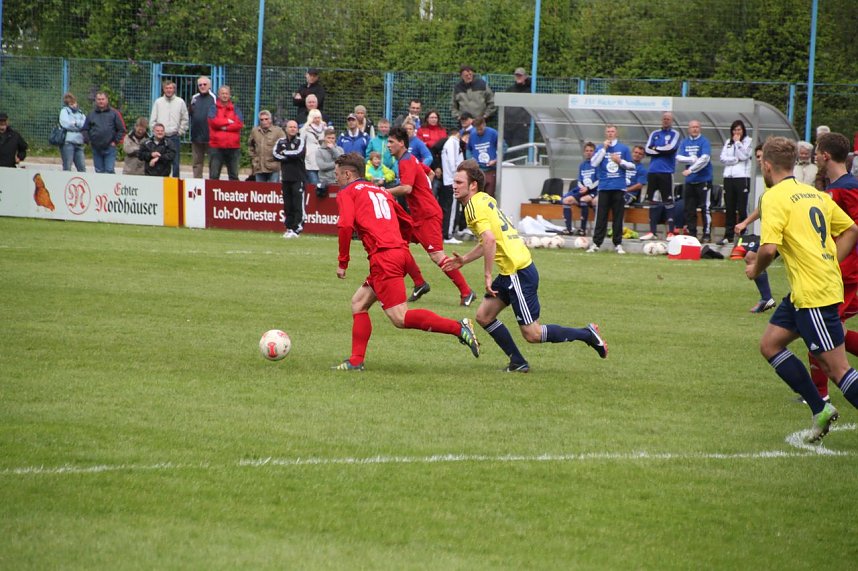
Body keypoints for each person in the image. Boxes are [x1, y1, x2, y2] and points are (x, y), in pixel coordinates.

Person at [442, 159, 608, 373]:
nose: (454, 186)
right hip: (511, 270)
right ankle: (518, 362)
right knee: (484, 316)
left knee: (533, 334)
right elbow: (489, 241)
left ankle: (587, 334)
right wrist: (464, 259)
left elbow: (490, 240)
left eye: (459, 182)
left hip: (517, 272)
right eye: (454, 181)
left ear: (473, 185)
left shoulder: (473, 207)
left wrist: (487, 275)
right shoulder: (484, 199)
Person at [746, 136, 858, 443]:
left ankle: (821, 406)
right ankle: (820, 408)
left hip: (814, 293)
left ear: (767, 166)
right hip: (804, 291)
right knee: (770, 344)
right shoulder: (814, 194)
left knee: (837, 369)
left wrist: (755, 269)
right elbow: (851, 230)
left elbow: (768, 249)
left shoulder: (773, 197)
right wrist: (829, 261)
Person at [332, 152, 480, 371]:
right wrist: (403, 244)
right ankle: (356, 361)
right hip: (398, 252)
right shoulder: (380, 191)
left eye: (337, 174)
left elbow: (345, 226)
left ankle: (459, 328)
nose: (335, 178)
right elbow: (404, 219)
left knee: (400, 318)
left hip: (384, 257)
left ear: (347, 174)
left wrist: (343, 262)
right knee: (359, 303)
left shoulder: (347, 192)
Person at [387, 126, 476, 306]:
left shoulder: (406, 161)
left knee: (437, 256)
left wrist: (383, 191)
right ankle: (419, 283)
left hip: (427, 216)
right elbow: (430, 172)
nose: (388, 145)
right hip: (419, 215)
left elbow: (407, 188)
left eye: (391, 142)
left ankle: (466, 292)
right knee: (397, 244)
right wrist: (425, 191)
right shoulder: (409, 159)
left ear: (401, 143)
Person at [807, 132, 858, 403]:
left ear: (825, 155)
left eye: (817, 152)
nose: (815, 156)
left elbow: (855, 229)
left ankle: (819, 397)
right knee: (833, 331)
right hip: (838, 270)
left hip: (845, 272)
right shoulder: (833, 188)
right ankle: (818, 394)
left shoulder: (848, 187)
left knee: (820, 332)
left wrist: (838, 262)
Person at [735, 145, 776, 314]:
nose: (759, 159)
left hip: (780, 232)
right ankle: (766, 298)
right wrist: (745, 223)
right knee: (751, 257)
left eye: (761, 156)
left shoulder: (777, 181)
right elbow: (763, 207)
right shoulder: (769, 182)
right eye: (757, 156)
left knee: (753, 258)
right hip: (771, 231)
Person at [586, 124, 635, 254]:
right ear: (605, 133)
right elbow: (594, 163)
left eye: (612, 131)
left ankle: (618, 243)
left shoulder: (623, 148)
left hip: (619, 187)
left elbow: (632, 166)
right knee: (601, 217)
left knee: (618, 217)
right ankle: (596, 243)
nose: (610, 133)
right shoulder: (600, 148)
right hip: (604, 187)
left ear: (616, 133)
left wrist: (620, 161)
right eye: (608, 131)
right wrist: (603, 149)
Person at [676, 120, 713, 241]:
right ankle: (692, 234)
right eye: (692, 127)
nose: (695, 129)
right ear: (689, 129)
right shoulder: (685, 142)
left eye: (697, 127)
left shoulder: (704, 141)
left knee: (705, 208)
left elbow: (705, 159)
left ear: (700, 128)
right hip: (690, 181)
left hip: (704, 179)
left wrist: (691, 169)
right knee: (689, 209)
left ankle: (706, 234)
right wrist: (691, 159)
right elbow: (678, 157)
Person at [718, 119, 754, 244]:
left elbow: (744, 156)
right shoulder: (728, 142)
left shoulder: (749, 141)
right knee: (729, 207)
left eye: (739, 130)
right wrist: (734, 160)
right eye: (734, 130)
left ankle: (742, 235)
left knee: (742, 207)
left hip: (742, 177)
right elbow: (722, 158)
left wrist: (738, 143)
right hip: (728, 177)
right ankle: (728, 235)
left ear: (743, 130)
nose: (736, 132)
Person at [273, 120, 307, 238]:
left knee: (298, 204)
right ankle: (289, 227)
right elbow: (275, 154)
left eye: (295, 127)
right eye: (290, 127)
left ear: (297, 129)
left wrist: (285, 153)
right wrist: (286, 156)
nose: (293, 129)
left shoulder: (300, 141)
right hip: (286, 178)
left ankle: (297, 228)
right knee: (288, 205)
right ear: (286, 129)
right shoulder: (280, 141)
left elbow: (298, 153)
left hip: (298, 178)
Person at [149, 80, 188, 177]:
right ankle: (160, 180)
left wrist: (181, 131)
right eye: (166, 88)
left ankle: (175, 181)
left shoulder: (180, 102)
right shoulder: (158, 102)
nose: (169, 90)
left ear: (174, 89)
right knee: (160, 160)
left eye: (170, 88)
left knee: (175, 162)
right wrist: (156, 133)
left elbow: (185, 118)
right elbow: (153, 119)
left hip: (174, 136)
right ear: (163, 89)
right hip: (161, 137)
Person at [82, 92, 126, 174]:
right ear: (96, 100)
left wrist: (115, 142)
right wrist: (88, 141)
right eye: (99, 99)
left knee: (109, 170)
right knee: (99, 171)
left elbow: (121, 129)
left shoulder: (114, 113)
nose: (101, 101)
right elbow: (85, 129)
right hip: (96, 148)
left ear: (107, 100)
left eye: (103, 99)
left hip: (110, 148)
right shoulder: (91, 114)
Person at [561, 142, 598, 236]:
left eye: (591, 151)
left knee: (583, 200)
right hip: (583, 190)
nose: (589, 153)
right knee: (566, 200)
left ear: (595, 152)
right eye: (587, 151)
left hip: (594, 191)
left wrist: (588, 188)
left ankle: (582, 229)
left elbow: (599, 181)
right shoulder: (582, 165)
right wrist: (582, 188)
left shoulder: (598, 164)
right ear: (584, 152)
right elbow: (579, 181)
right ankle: (569, 229)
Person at [207, 85, 244, 180]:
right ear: (219, 95)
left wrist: (224, 128)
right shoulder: (213, 108)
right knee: (214, 175)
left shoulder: (236, 109)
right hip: (216, 146)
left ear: (230, 95)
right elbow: (213, 122)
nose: (225, 95)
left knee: (234, 176)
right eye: (222, 93)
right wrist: (228, 121)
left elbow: (239, 124)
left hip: (233, 146)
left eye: (226, 93)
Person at [645, 111, 680, 204]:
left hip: (666, 172)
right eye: (664, 119)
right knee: (650, 200)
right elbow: (647, 150)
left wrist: (655, 148)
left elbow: (671, 149)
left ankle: (668, 214)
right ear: (661, 120)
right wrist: (662, 150)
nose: (666, 121)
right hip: (652, 171)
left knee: (667, 201)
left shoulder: (675, 133)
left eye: (668, 119)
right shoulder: (654, 133)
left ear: (672, 121)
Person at [440, 126, 466, 244]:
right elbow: (453, 161)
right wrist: (458, 176)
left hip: (449, 180)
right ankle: (448, 235)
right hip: (452, 181)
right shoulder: (453, 142)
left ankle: (447, 233)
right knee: (452, 210)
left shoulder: (449, 143)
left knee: (450, 208)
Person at [189, 76, 216, 178]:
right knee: (197, 163)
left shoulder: (214, 98)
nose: (202, 86)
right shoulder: (194, 98)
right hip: (196, 137)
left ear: (209, 86)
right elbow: (190, 113)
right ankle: (197, 182)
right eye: (200, 85)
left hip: (210, 137)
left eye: (205, 84)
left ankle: (212, 183)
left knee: (213, 163)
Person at [248, 110, 286, 183]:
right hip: (259, 167)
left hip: (273, 166)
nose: (264, 121)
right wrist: (253, 158)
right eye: (261, 119)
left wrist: (279, 158)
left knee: (273, 189)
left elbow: (284, 145)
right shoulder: (255, 131)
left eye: (266, 119)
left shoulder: (278, 131)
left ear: (270, 120)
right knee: (260, 189)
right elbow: (250, 145)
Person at [467, 117, 500, 197]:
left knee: (489, 195)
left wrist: (495, 160)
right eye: (477, 129)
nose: (479, 131)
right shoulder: (472, 134)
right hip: (478, 170)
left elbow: (503, 147)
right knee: (477, 194)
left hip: (490, 169)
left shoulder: (493, 133)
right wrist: (471, 160)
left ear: (484, 124)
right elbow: (468, 149)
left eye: (481, 129)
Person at [503, 67, 532, 160]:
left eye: (520, 75)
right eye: (517, 75)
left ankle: (514, 164)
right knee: (506, 148)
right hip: (508, 124)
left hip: (521, 126)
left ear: (525, 77)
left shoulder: (530, 91)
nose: (518, 77)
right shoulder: (509, 89)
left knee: (516, 150)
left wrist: (526, 122)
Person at [58, 92, 87, 172]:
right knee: (67, 166)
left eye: (74, 103)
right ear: (67, 105)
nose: (73, 105)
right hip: (68, 143)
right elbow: (66, 124)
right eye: (71, 104)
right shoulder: (64, 111)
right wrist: (78, 126)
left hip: (79, 142)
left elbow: (84, 124)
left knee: (82, 168)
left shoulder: (80, 113)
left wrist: (75, 123)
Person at [300, 109, 326, 185]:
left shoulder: (325, 128)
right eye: (315, 118)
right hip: (310, 160)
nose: (317, 120)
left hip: (322, 159)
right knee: (314, 183)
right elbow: (301, 143)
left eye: (318, 117)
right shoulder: (305, 129)